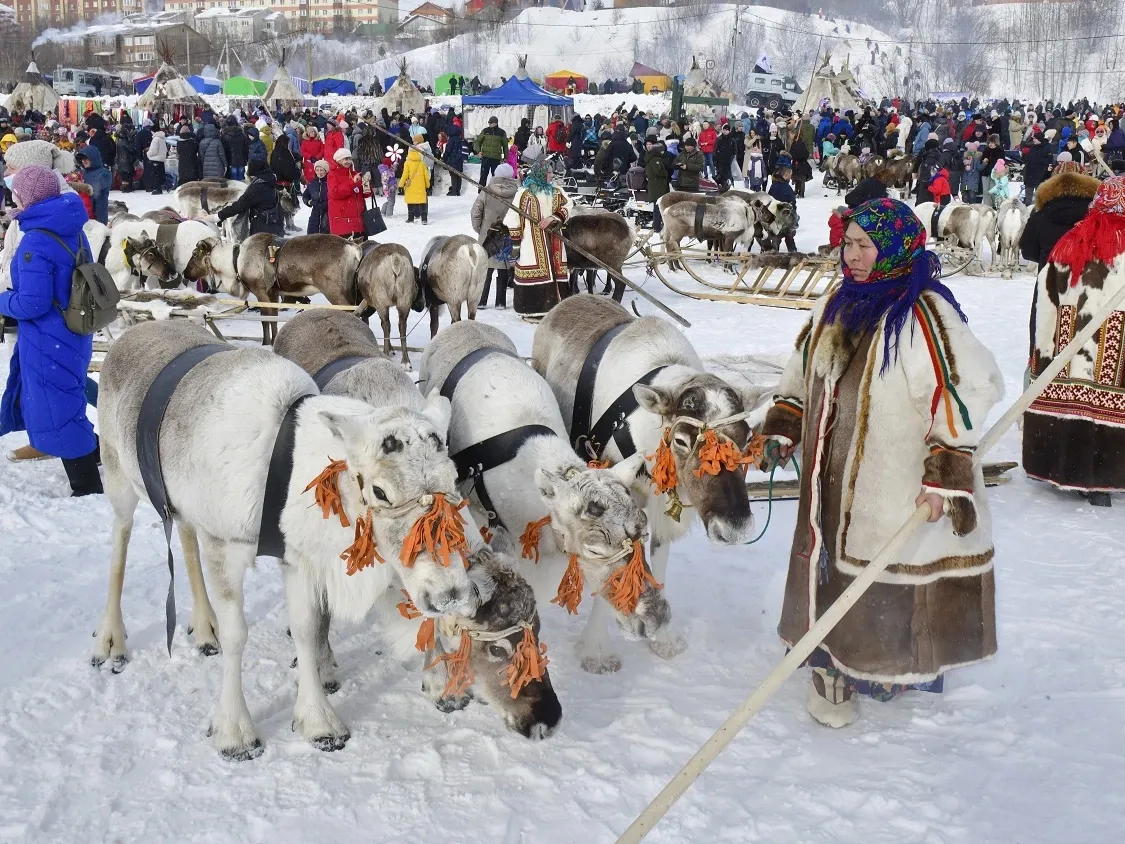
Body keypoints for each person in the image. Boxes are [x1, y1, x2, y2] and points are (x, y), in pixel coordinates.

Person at [760, 196, 1002, 728]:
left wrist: (945, 472)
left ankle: (887, 664)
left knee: (882, 566)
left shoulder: (924, 313)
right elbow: (804, 367)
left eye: (864, 246)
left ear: (893, 248)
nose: (852, 256)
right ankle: (831, 654)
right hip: (830, 476)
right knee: (831, 560)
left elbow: (966, 386)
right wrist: (786, 419)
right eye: (848, 244)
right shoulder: (839, 302)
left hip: (891, 478)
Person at [0, 165, 102, 496]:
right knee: (66, 400)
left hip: (49, 337)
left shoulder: (36, 242)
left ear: (27, 198)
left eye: (16, 195)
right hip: (74, 330)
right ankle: (94, 451)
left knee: (57, 408)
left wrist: (3, 300)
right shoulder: (69, 226)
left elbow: (33, 304)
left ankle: (87, 486)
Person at [1024, 175, 1125, 507]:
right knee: (1108, 404)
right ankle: (1106, 474)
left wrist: (1042, 352)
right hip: (1114, 351)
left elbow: (1046, 299)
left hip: (1069, 344)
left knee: (1073, 401)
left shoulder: (1069, 242)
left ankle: (1066, 469)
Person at [503, 157, 574, 318]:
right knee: (534, 268)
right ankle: (532, 309)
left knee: (556, 270)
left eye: (551, 172)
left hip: (554, 239)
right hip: (530, 241)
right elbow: (512, 218)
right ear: (540, 174)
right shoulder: (524, 193)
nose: (551, 175)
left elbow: (568, 205)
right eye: (548, 172)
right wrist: (516, 243)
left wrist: (553, 218)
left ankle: (556, 308)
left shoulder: (556, 191)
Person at [471, 161, 519, 309]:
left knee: (486, 267)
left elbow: (475, 212)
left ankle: (482, 300)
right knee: (503, 267)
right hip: (507, 236)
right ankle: (500, 302)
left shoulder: (487, 191)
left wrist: (481, 230)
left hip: (488, 236)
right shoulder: (516, 193)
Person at [216, 160, 285, 236]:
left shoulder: (257, 187)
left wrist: (219, 216)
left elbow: (239, 206)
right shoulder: (269, 182)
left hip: (262, 231)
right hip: (274, 227)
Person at [326, 147, 370, 240]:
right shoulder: (332, 174)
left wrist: (366, 182)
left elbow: (366, 194)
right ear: (338, 160)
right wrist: (352, 183)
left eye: (349, 159)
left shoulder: (355, 174)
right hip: (342, 223)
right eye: (345, 159)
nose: (348, 161)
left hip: (358, 222)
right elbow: (335, 193)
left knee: (362, 251)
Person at [75, 147, 111, 224]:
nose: (83, 161)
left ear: (93, 158)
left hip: (99, 214)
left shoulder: (104, 173)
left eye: (86, 159)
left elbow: (94, 188)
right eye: (82, 159)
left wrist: (79, 185)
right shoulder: (84, 173)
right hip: (85, 212)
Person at [644, 138, 670, 233]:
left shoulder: (650, 158)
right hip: (658, 186)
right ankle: (657, 226)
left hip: (654, 185)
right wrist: (665, 173)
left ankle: (657, 225)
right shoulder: (655, 159)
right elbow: (659, 172)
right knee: (658, 207)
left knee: (657, 206)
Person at [475, 116, 508, 188]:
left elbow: (505, 145)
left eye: (491, 123)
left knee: (495, 177)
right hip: (485, 157)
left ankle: (495, 193)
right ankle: (480, 192)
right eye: (489, 123)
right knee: (483, 176)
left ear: (495, 123)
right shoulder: (485, 131)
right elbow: (477, 142)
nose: (489, 124)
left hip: (496, 158)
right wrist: (478, 151)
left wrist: (506, 157)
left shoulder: (502, 132)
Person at [401, 147, 430, 224]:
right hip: (420, 186)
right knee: (422, 202)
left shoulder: (407, 163)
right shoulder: (422, 163)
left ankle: (410, 218)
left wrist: (401, 185)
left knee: (410, 202)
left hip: (410, 186)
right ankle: (424, 219)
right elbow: (426, 176)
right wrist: (427, 185)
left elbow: (405, 175)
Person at [302, 159, 330, 234]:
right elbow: (305, 196)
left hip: (327, 213)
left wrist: (327, 203)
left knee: (326, 235)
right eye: (317, 170)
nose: (319, 172)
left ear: (326, 171)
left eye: (322, 170)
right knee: (313, 235)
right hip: (315, 212)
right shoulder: (312, 183)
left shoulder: (330, 182)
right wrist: (310, 202)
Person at [220, 116, 248, 181]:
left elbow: (224, 149)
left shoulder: (224, 135)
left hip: (230, 159)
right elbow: (246, 147)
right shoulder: (242, 134)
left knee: (234, 180)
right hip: (241, 158)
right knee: (241, 180)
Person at [443, 119, 465, 196]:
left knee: (453, 175)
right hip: (459, 159)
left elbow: (448, 150)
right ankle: (458, 191)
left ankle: (454, 191)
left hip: (452, 159)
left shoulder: (451, 140)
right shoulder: (460, 139)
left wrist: (444, 158)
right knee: (458, 175)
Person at [146, 123, 168, 195]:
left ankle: (157, 189)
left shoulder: (155, 139)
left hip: (155, 159)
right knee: (160, 174)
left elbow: (154, 150)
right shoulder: (162, 138)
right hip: (161, 158)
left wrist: (148, 153)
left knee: (155, 175)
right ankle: (163, 187)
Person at [378, 153, 398, 217]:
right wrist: (386, 190)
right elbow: (384, 182)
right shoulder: (385, 172)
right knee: (391, 202)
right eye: (391, 164)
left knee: (389, 201)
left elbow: (393, 170)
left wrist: (395, 163)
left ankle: (383, 211)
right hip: (389, 188)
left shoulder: (389, 170)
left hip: (392, 187)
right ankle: (389, 214)